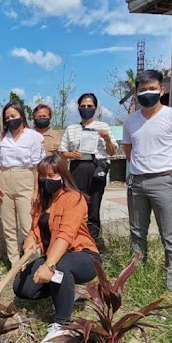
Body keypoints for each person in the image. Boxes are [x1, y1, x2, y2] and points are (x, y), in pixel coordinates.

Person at [13, 154, 101, 343]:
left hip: (82, 256)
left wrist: (48, 265)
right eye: (43, 176)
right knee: (22, 288)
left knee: (59, 268)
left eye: (52, 176)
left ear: (62, 176)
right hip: (54, 255)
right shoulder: (41, 201)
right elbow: (36, 229)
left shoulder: (73, 199)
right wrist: (31, 239)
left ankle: (64, 326)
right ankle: (71, 291)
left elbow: (65, 236)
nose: (46, 180)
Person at [123, 70, 172, 296]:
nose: (147, 93)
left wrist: (171, 177)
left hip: (164, 181)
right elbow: (129, 152)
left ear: (162, 90)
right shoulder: (131, 121)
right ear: (136, 93)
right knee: (137, 232)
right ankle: (137, 274)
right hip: (136, 184)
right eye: (142, 90)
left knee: (169, 234)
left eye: (152, 88)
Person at [0, 101, 45, 266]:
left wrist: (36, 189)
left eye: (13, 116)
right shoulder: (1, 137)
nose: (10, 120)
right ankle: (15, 265)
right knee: (8, 227)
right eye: (7, 117)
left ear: (21, 116)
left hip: (26, 179)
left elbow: (38, 165)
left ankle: (33, 263)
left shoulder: (34, 136)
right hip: (5, 178)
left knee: (28, 225)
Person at [60, 93, 117, 244]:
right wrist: (71, 154)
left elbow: (112, 151)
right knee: (76, 205)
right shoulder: (71, 128)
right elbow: (62, 152)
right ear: (78, 108)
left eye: (89, 106)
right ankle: (74, 241)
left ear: (96, 108)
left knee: (93, 206)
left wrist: (107, 139)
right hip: (77, 168)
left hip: (96, 168)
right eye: (83, 106)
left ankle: (91, 244)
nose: (86, 109)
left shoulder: (103, 127)